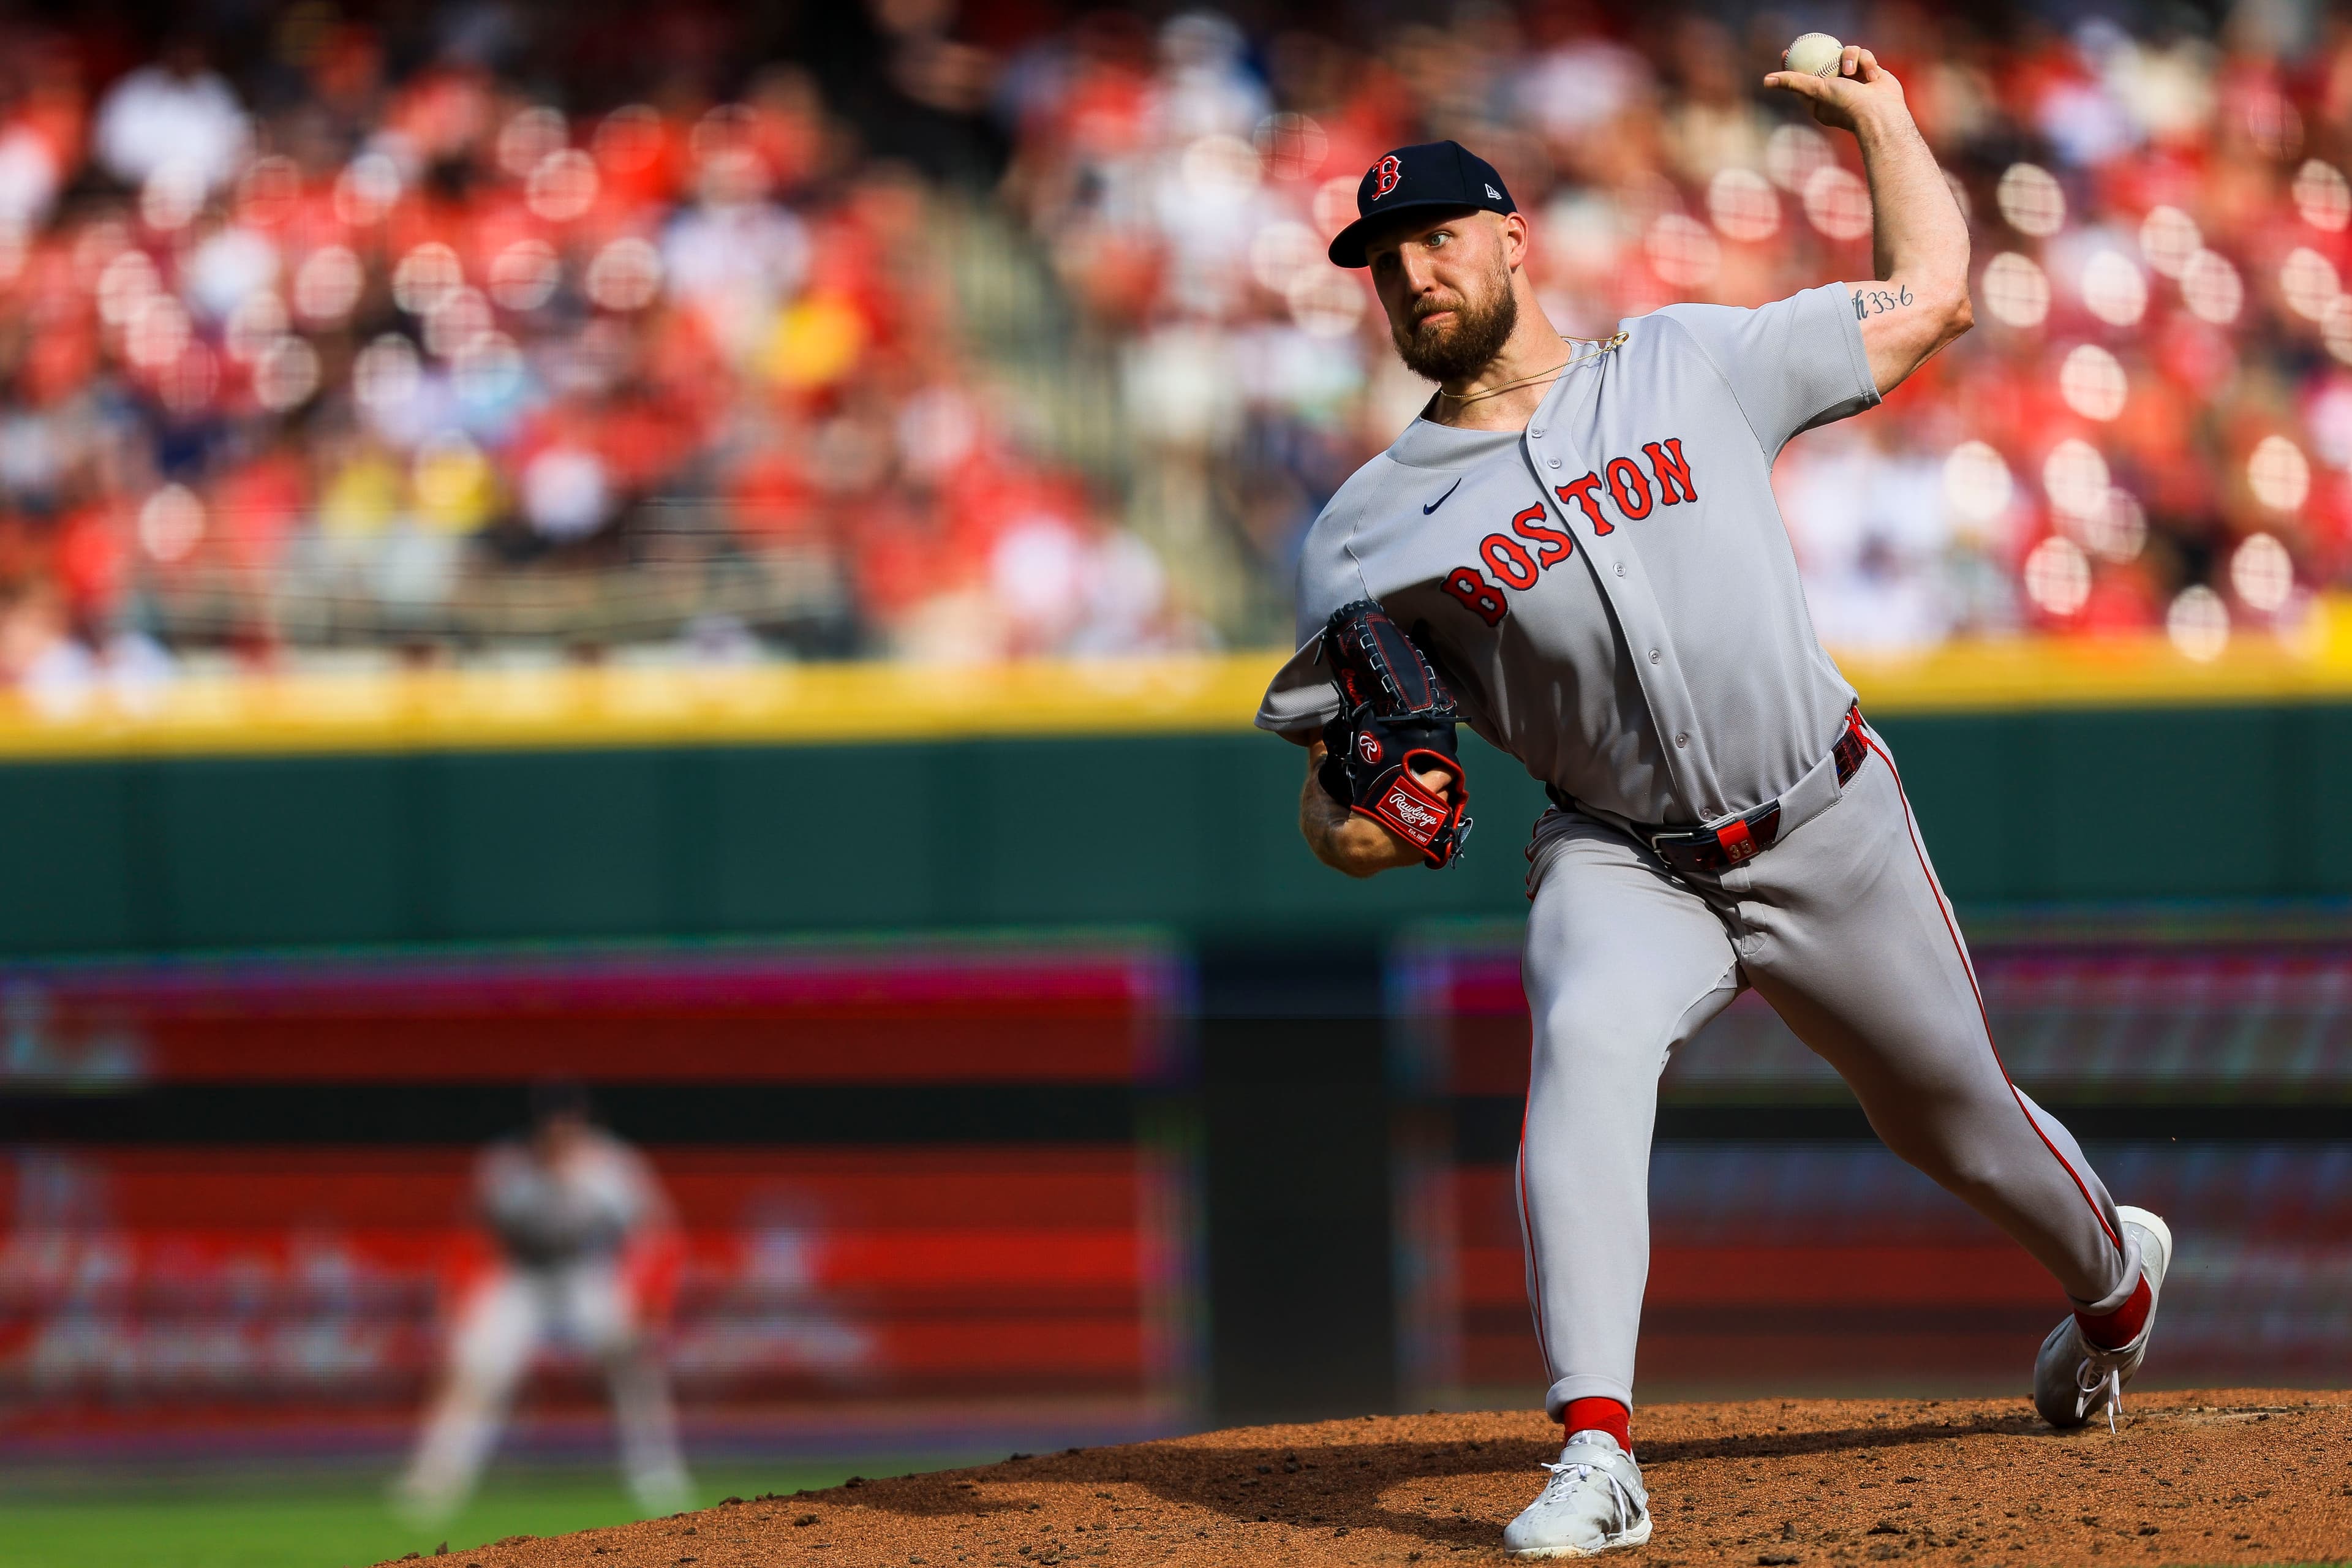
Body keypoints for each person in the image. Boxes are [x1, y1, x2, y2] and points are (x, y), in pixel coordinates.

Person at [1256, 48, 2171, 1559]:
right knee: (1588, 1040)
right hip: (1621, 856)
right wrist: (1360, 820)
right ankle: (1596, 1447)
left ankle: (2112, 1283)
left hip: (1825, 819)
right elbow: (1340, 808)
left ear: (1505, 238)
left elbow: (1932, 292)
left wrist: (1878, 117)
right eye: (1380, 259)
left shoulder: (1683, 361)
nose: (1410, 272)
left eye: (1432, 236)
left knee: (1955, 1123)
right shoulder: (1361, 534)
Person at [396, 1080, 692, 1523]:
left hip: (589, 1275)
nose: (558, 1131)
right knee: (473, 1369)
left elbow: (657, 1231)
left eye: (567, 1122)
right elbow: (472, 1235)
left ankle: (659, 1480)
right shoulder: (507, 1165)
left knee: (635, 1363)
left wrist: (646, 1297)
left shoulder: (612, 1165)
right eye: (550, 1123)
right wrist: (460, 1297)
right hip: (523, 1278)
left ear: (582, 1123)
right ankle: (434, 1485)